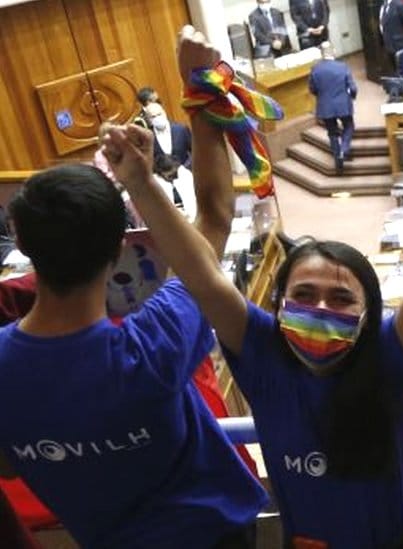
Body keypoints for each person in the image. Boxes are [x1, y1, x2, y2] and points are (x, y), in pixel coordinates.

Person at [116, 28, 403, 547]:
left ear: (369, 312)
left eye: (342, 298)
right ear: (279, 302)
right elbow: (202, 273)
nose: (321, 308)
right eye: (305, 295)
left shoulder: (387, 354)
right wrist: (143, 183)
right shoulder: (263, 352)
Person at [0, 27, 268, 548]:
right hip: (215, 537)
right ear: (121, 249)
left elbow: (9, 465)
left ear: (23, 244)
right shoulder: (152, 343)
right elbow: (214, 220)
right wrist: (197, 86)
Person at [310, 41, 357, 172]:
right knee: (349, 126)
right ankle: (344, 150)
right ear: (334, 51)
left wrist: (322, 96)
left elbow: (313, 89)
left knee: (332, 132)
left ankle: (338, 160)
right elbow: (352, 87)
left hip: (325, 106)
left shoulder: (315, 69)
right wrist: (352, 96)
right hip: (343, 104)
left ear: (322, 54)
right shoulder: (342, 67)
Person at [144, 101, 192, 168]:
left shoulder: (181, 130)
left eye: (159, 114)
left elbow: (194, 151)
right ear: (148, 120)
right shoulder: (147, 137)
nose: (157, 118)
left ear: (164, 113)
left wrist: (185, 168)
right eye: (153, 117)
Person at [379, 0, 403, 69]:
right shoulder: (384, 5)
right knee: (396, 70)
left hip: (402, 46)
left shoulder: (400, 4)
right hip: (390, 46)